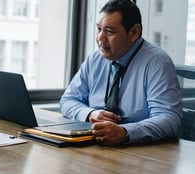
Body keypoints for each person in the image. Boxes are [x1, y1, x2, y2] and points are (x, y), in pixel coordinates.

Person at [60, 0, 182, 146]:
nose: (100, 38)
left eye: (110, 31)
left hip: (139, 154)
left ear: (133, 32)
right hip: (95, 145)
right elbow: (67, 100)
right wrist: (90, 114)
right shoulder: (94, 59)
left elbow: (169, 119)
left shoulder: (157, 63)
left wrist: (125, 132)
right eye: (99, 29)